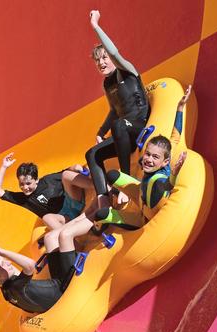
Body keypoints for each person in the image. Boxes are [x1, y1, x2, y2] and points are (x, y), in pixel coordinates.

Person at [94, 86, 191, 229]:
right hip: (140, 192)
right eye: (148, 154)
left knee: (102, 215)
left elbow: (167, 185)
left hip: (145, 215)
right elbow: (175, 136)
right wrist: (180, 107)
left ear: (165, 162)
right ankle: (117, 193)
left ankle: (101, 225)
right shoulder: (165, 152)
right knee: (112, 175)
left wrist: (174, 175)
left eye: (155, 157)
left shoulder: (157, 181)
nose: (149, 159)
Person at [85, 10, 150, 210]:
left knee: (120, 124)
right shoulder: (107, 84)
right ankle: (103, 198)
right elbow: (114, 109)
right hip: (122, 132)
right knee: (92, 154)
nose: (102, 62)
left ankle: (125, 183)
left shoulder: (126, 70)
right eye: (98, 61)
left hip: (138, 124)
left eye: (104, 58)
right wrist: (100, 131)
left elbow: (114, 52)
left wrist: (95, 25)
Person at [0, 153, 93, 229]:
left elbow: (69, 171)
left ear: (36, 180)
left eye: (28, 183)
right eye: (21, 184)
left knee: (66, 175)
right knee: (47, 218)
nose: (25, 187)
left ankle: (100, 185)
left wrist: (77, 168)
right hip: (63, 218)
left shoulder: (48, 180)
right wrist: (4, 166)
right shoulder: (24, 199)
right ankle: (73, 245)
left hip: (73, 202)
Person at [0, 239, 77, 313]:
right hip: (63, 286)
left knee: (49, 238)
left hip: (55, 289)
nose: (9, 262)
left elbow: (18, 272)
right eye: (2, 264)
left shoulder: (7, 292)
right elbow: (31, 265)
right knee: (65, 236)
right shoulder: (16, 285)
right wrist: (1, 251)